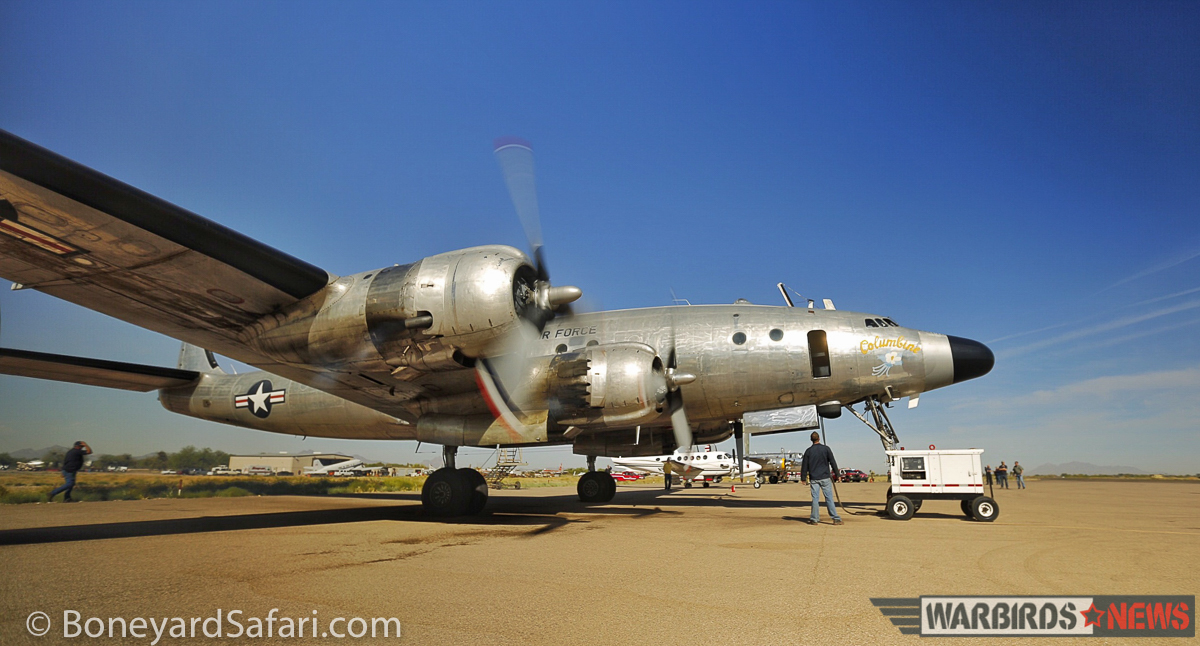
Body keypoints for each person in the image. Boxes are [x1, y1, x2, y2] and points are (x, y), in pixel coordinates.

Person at [800, 431, 842, 525]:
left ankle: (814, 519)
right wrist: (837, 475)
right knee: (829, 498)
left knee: (815, 498)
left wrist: (803, 478)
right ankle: (835, 518)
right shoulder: (826, 449)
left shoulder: (808, 451)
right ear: (819, 438)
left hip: (814, 478)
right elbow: (832, 462)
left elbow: (804, 466)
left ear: (811, 440)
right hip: (825, 477)